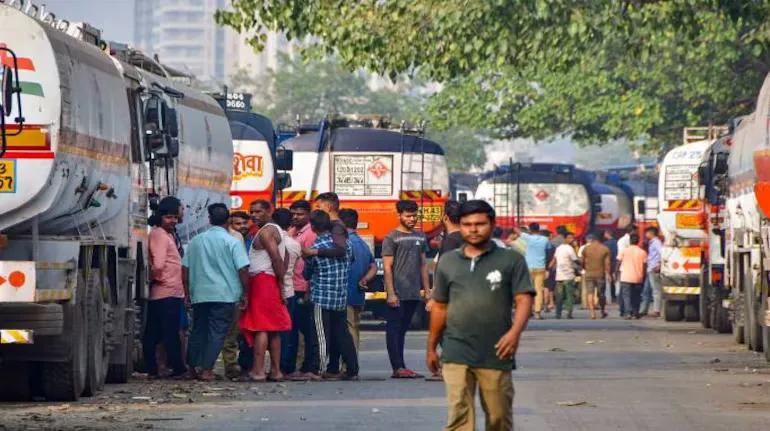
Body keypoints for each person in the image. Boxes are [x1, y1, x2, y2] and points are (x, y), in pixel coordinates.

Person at [428, 200, 534, 431]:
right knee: (459, 417)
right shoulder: (448, 262)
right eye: (467, 224)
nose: (473, 229)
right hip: (455, 350)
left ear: (492, 224)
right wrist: (431, 347)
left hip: (496, 350)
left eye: (480, 224)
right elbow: (440, 307)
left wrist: (514, 334)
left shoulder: (510, 260)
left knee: (498, 418)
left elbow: (524, 299)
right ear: (461, 226)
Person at [182, 203, 250, 381]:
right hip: (225, 295)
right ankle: (207, 370)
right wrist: (245, 293)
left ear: (210, 219)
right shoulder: (232, 242)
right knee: (217, 332)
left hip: (200, 294)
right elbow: (243, 269)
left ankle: (191, 368)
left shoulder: (196, 241)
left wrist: (187, 292)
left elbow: (185, 269)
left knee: (198, 330)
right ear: (228, 220)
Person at [240, 200, 292, 382]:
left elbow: (277, 259)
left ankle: (259, 370)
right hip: (268, 280)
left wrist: (280, 284)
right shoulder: (275, 231)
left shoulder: (266, 231)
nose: (254, 215)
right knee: (273, 328)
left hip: (263, 281)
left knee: (261, 327)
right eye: (252, 212)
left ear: (269, 211)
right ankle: (275, 371)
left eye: (258, 212)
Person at [304, 210, 359, 380]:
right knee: (342, 333)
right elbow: (352, 261)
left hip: (322, 297)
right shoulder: (347, 245)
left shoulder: (315, 248)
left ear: (312, 227)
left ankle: (318, 369)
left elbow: (307, 273)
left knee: (321, 335)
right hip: (340, 297)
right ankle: (352, 368)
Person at [382, 200, 430, 379]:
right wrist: (391, 293)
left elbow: (423, 265)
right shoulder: (391, 237)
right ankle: (397, 367)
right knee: (394, 329)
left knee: (402, 330)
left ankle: (402, 367)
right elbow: (387, 267)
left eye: (414, 215)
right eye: (408, 216)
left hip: (413, 292)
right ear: (399, 216)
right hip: (398, 293)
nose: (412, 219)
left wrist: (427, 290)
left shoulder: (420, 237)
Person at [143, 198, 187, 379]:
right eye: (169, 217)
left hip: (169, 291)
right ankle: (177, 368)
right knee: (168, 334)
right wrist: (159, 279)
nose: (173, 221)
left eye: (175, 217)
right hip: (166, 291)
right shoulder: (160, 235)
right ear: (160, 216)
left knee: (157, 332)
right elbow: (159, 264)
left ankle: (155, 368)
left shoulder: (166, 234)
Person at [282, 200, 321, 380]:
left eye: (300, 214)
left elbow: (313, 265)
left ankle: (310, 366)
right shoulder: (291, 232)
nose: (296, 217)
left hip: (304, 288)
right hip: (292, 287)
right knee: (292, 329)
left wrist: (308, 291)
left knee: (308, 331)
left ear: (308, 214)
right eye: (294, 213)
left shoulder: (311, 234)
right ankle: (292, 367)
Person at [338, 208, 377, 353]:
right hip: (357, 294)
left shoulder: (344, 242)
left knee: (347, 330)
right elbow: (373, 266)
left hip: (344, 294)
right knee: (353, 327)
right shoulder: (362, 244)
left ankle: (350, 365)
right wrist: (364, 279)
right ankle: (352, 363)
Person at [222, 211, 250, 380]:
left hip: (213, 291)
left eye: (243, 223)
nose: (242, 227)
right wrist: (244, 292)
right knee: (231, 332)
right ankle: (231, 365)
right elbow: (242, 268)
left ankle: (204, 367)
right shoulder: (236, 239)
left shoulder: (202, 239)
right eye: (237, 224)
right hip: (232, 290)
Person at [516, 223, 551, 319]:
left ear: (530, 230)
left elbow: (517, 230)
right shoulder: (545, 239)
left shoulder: (528, 237)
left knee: (528, 290)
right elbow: (548, 251)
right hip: (541, 267)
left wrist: (523, 230)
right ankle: (538, 312)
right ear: (539, 230)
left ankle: (528, 311)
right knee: (539, 290)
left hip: (528, 267)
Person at [582, 232, 612, 319]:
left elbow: (582, 261)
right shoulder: (605, 249)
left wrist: (585, 268)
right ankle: (602, 310)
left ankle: (592, 313)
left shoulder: (586, 248)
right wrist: (608, 273)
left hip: (589, 273)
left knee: (590, 293)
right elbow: (607, 263)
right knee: (601, 294)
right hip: (600, 274)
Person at [618, 233, 647, 319]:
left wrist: (616, 272)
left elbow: (618, 262)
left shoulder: (624, 251)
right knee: (636, 296)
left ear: (630, 241)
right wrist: (643, 276)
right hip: (638, 277)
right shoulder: (642, 252)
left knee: (626, 296)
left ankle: (628, 313)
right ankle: (636, 312)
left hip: (625, 277)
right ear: (638, 241)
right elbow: (645, 266)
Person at [551, 232, 579, 319]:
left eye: (572, 238)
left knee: (559, 296)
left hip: (559, 276)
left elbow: (554, 259)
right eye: (570, 238)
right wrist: (582, 265)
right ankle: (569, 313)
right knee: (569, 295)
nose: (572, 239)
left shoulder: (558, 248)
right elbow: (575, 260)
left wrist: (550, 268)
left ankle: (558, 314)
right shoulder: (569, 248)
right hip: (568, 275)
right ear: (565, 239)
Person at [641, 226, 663, 318]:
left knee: (656, 290)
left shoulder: (656, 242)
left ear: (651, 233)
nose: (646, 235)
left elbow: (662, 253)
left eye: (647, 233)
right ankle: (643, 310)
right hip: (650, 269)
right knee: (646, 291)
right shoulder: (652, 243)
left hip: (654, 269)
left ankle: (657, 310)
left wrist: (659, 265)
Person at [603, 230, 619, 306]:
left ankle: (608, 299)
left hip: (609, 264)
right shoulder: (617, 243)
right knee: (617, 281)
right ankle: (618, 297)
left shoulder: (605, 244)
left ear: (607, 234)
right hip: (617, 264)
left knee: (608, 282)